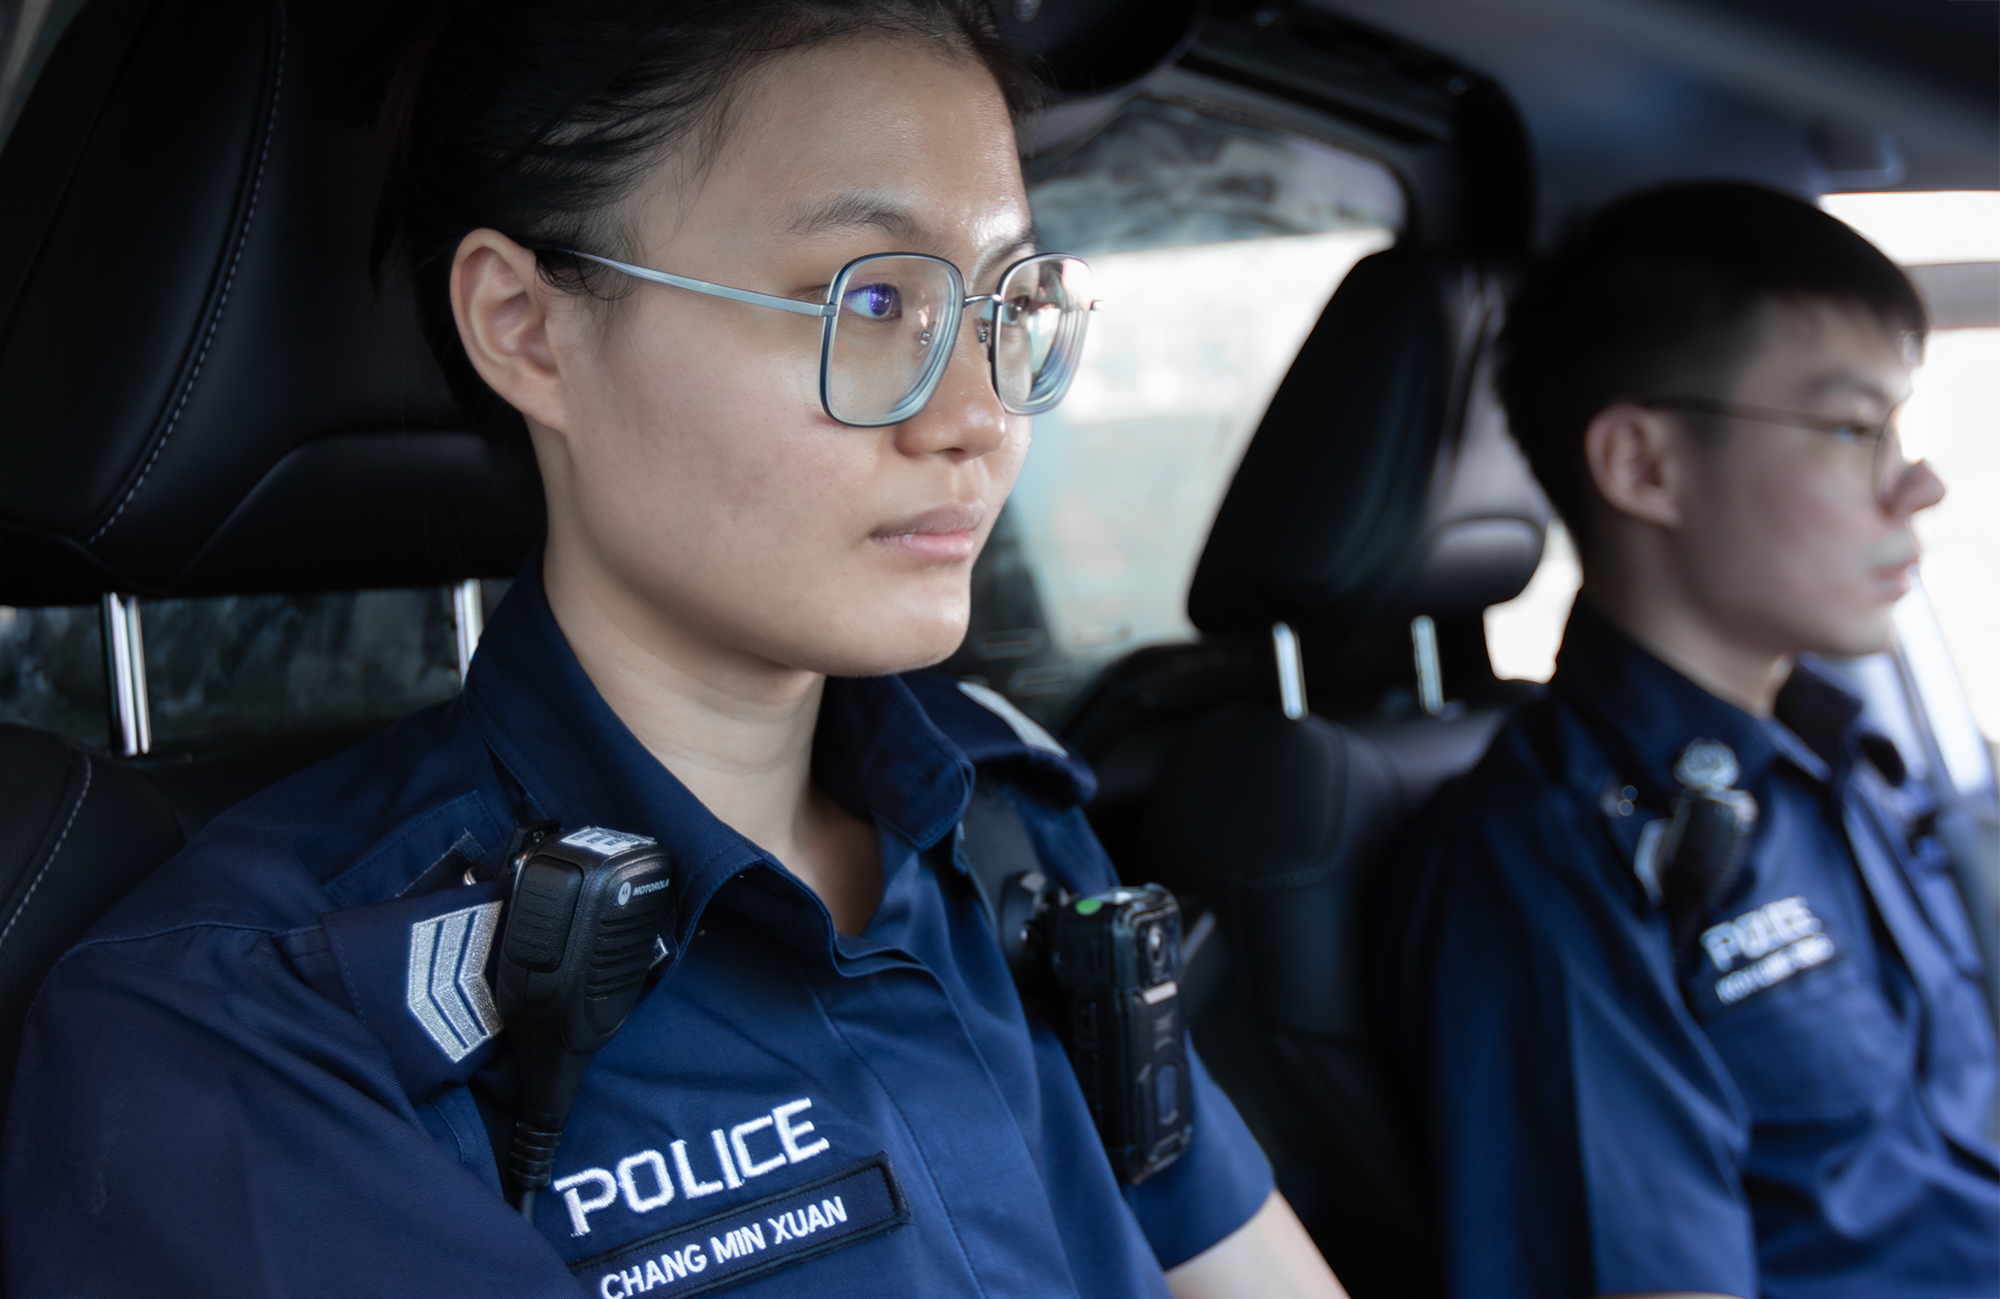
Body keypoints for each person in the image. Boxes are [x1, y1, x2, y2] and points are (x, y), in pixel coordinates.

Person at [0, 3, 1348, 1295]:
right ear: (527, 326)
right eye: (869, 303)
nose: (981, 413)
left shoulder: (1006, 848)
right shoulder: (255, 1025)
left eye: (1005, 304)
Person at [1370, 181, 1999, 1299]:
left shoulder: (1839, 759)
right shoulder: (1551, 862)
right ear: (1643, 466)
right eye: (1855, 428)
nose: (1918, 482)